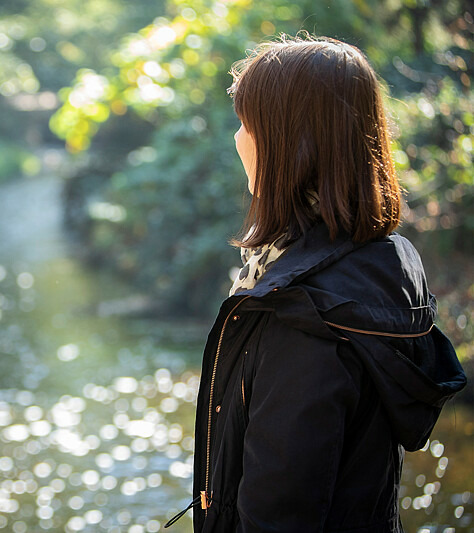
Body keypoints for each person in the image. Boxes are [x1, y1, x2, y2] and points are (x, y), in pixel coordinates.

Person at [164, 35, 468, 532]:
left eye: (247, 124)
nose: (237, 138)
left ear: (289, 143)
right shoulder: (385, 261)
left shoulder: (303, 316)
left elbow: (278, 515)